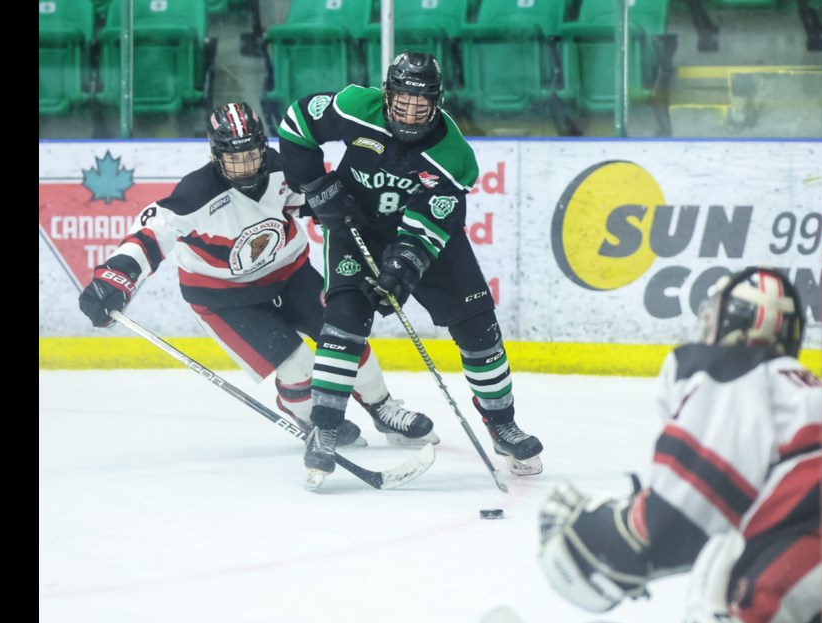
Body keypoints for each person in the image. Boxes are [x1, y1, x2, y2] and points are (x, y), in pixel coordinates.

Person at [78, 101, 439, 472]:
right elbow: (151, 234)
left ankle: (383, 408)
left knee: (345, 336)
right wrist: (115, 278)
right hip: (224, 299)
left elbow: (316, 203)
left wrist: (347, 215)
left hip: (291, 274)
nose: (247, 165)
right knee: (298, 365)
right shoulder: (195, 193)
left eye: (252, 153)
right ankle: (310, 417)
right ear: (216, 155)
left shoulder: (283, 167)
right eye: (235, 157)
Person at [276, 50, 544, 488]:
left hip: (419, 237)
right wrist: (318, 186)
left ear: (437, 102)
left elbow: (434, 222)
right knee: (343, 322)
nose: (411, 111)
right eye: (402, 100)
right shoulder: (354, 107)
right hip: (354, 225)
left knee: (478, 326)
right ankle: (324, 428)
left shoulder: (451, 155)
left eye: (421, 104)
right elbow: (297, 122)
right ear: (387, 94)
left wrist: (403, 268)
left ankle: (502, 424)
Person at [537, 267, 822, 623]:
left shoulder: (731, 373)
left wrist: (600, 533)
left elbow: (677, 522)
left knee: (716, 600)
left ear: (731, 321)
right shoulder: (809, 390)